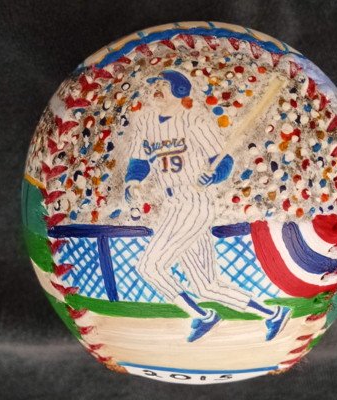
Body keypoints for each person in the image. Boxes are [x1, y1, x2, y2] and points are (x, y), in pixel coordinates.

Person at [124, 69, 290, 342]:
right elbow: (139, 162)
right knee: (206, 286)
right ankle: (273, 313)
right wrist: (132, 183)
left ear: (179, 90)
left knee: (149, 267)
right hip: (172, 205)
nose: (156, 89)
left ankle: (202, 316)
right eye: (156, 84)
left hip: (194, 203)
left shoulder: (195, 120)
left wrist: (213, 176)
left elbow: (223, 161)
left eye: (163, 84)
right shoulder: (146, 121)